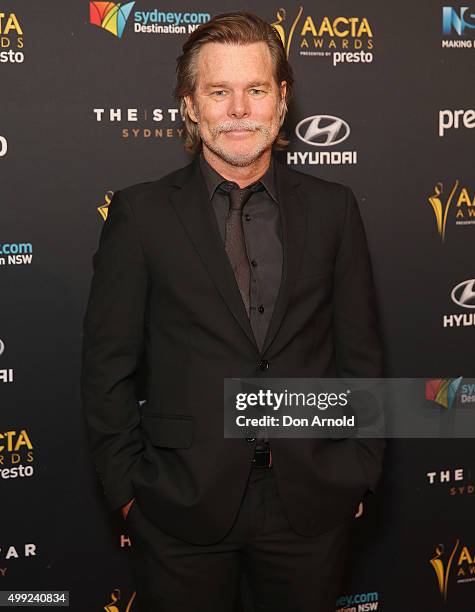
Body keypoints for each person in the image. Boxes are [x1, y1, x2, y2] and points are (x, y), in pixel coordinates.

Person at [81, 11, 385, 612]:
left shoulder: (334, 209)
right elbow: (106, 368)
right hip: (179, 505)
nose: (240, 109)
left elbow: (362, 354)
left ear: (282, 99)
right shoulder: (140, 215)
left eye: (256, 90)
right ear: (191, 106)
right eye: (219, 92)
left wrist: (359, 469)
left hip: (310, 501)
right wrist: (127, 493)